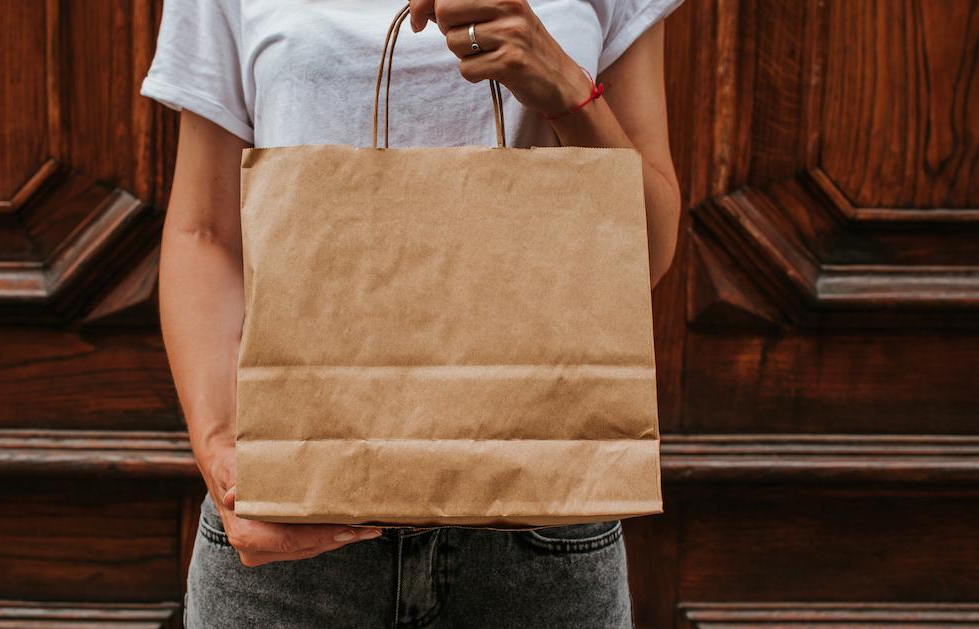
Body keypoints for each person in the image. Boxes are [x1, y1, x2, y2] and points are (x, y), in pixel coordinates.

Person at [140, 0, 683, 626]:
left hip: (541, 536)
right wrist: (222, 455)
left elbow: (645, 253)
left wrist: (562, 85)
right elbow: (206, 233)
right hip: (290, 533)